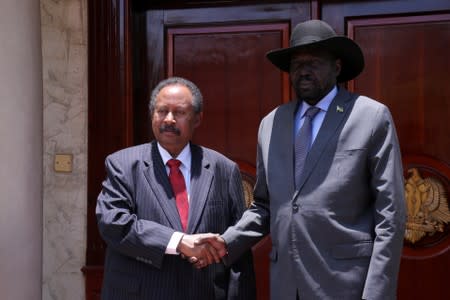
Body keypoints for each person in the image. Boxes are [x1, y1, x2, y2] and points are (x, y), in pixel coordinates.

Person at [196, 19, 407, 300]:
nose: (304, 70)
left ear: (337, 66)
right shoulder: (271, 123)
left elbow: (390, 214)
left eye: (314, 61)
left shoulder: (370, 116)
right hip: (286, 284)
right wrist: (226, 242)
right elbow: (265, 205)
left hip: (347, 285)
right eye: (296, 63)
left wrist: (376, 293)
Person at [96, 76, 256, 300]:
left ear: (197, 119)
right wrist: (179, 242)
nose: (169, 119)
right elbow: (113, 223)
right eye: (161, 111)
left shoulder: (223, 169)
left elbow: (238, 249)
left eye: (179, 112)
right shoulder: (122, 164)